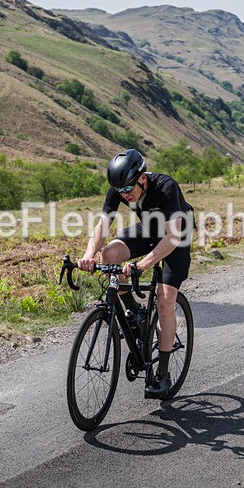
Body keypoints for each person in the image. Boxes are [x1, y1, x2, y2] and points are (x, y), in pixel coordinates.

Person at [78, 149, 194, 398]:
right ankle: (134, 313)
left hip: (176, 235)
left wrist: (143, 264)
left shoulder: (165, 187)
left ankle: (163, 374)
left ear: (143, 178)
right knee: (109, 254)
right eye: (120, 192)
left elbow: (173, 236)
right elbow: (103, 225)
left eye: (129, 190)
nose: (125, 196)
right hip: (149, 228)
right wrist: (89, 254)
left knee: (164, 302)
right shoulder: (119, 188)